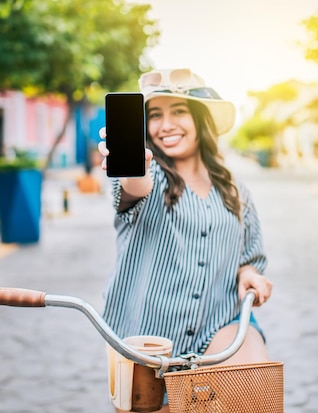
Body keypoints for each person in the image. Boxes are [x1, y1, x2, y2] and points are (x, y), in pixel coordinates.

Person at [98, 68, 273, 413]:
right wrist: (135, 167)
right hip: (146, 339)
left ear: (200, 119)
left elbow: (250, 255)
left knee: (257, 398)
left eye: (178, 111)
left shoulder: (235, 189)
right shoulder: (151, 176)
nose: (165, 125)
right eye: (155, 115)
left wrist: (248, 274)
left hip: (217, 327)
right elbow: (134, 187)